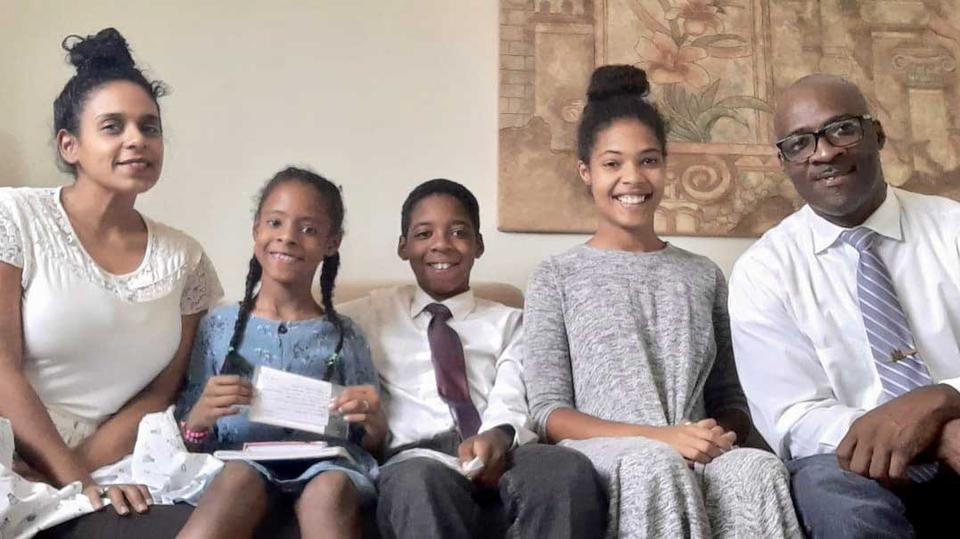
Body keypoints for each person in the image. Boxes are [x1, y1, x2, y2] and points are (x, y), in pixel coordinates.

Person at [522, 64, 800, 538]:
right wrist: (660, 438)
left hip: (694, 445)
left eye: (648, 160)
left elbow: (731, 398)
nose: (633, 177)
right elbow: (549, 414)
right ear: (586, 172)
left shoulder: (703, 275)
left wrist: (712, 435)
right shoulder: (555, 276)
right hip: (609, 454)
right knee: (654, 463)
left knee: (757, 470)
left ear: (666, 167)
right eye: (613, 164)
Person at [0, 27, 222, 520]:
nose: (136, 140)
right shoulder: (13, 218)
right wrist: (71, 479)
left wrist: (84, 476)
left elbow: (162, 392)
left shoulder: (186, 260)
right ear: (69, 145)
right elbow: (0, 367)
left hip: (117, 462)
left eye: (150, 127)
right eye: (112, 126)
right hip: (13, 450)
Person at [729, 73, 960, 538]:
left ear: (877, 134)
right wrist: (915, 430)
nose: (824, 153)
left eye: (842, 129)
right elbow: (793, 418)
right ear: (783, 162)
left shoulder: (952, 228)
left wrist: (943, 397)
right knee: (834, 497)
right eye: (800, 143)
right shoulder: (763, 271)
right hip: (852, 464)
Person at [338, 178, 607, 539]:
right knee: (418, 485)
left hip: (503, 447)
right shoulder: (369, 315)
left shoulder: (512, 321)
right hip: (417, 457)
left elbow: (513, 389)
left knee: (565, 469)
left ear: (478, 244)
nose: (441, 244)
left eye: (458, 232)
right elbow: (306, 322)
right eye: (424, 234)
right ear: (403, 246)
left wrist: (498, 436)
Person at [175, 167, 384, 539]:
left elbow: (371, 439)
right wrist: (200, 418)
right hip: (239, 462)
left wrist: (372, 420)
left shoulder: (346, 336)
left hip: (328, 468)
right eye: (275, 223)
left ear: (332, 242)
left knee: (329, 490)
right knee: (236, 479)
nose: (287, 237)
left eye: (308, 229)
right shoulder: (218, 328)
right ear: (256, 230)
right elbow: (190, 438)